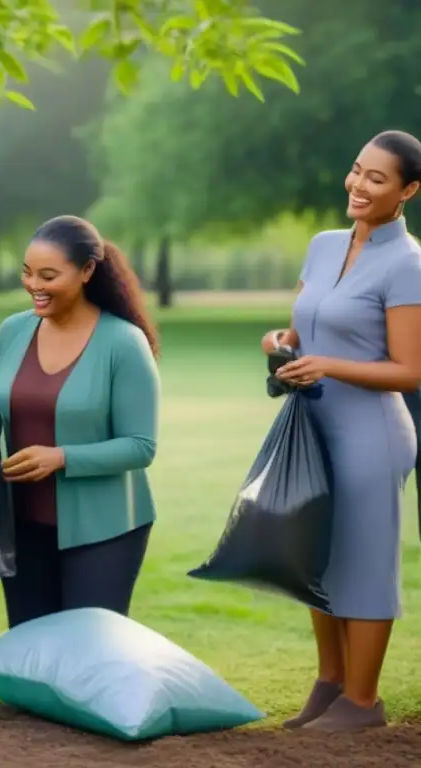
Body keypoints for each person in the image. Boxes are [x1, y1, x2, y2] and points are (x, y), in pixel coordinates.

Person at [262, 130, 421, 731]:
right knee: (316, 558)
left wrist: (326, 364)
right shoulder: (324, 245)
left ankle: (363, 702)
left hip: (371, 431)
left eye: (377, 179)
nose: (358, 185)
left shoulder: (408, 264)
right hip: (313, 427)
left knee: (363, 561)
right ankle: (330, 683)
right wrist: (281, 344)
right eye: (357, 170)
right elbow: (304, 326)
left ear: (408, 191)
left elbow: (409, 369)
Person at [0, 215, 160, 628]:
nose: (34, 285)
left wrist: (60, 457)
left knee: (88, 650)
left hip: (105, 526)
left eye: (48, 275)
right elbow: (3, 402)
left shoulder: (123, 342)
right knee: (31, 650)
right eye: (27, 273)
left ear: (87, 271)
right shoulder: (12, 331)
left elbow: (141, 445)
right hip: (20, 522)